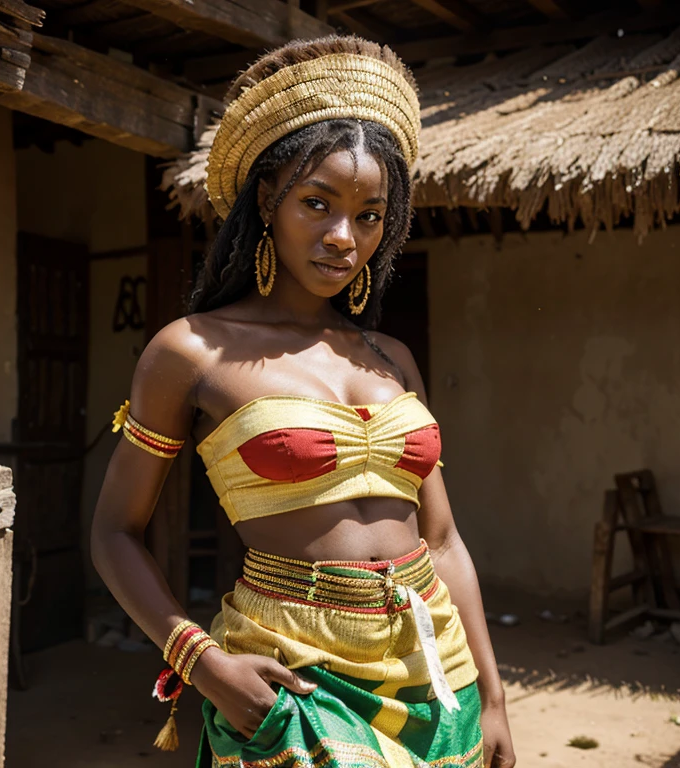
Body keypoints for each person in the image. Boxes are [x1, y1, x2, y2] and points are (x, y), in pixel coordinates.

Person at [91, 34, 516, 768]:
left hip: (435, 675)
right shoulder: (190, 351)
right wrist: (202, 663)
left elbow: (442, 542)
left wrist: (497, 695)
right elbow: (114, 533)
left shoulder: (391, 358)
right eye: (317, 203)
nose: (343, 237)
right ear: (267, 198)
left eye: (370, 215)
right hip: (293, 672)